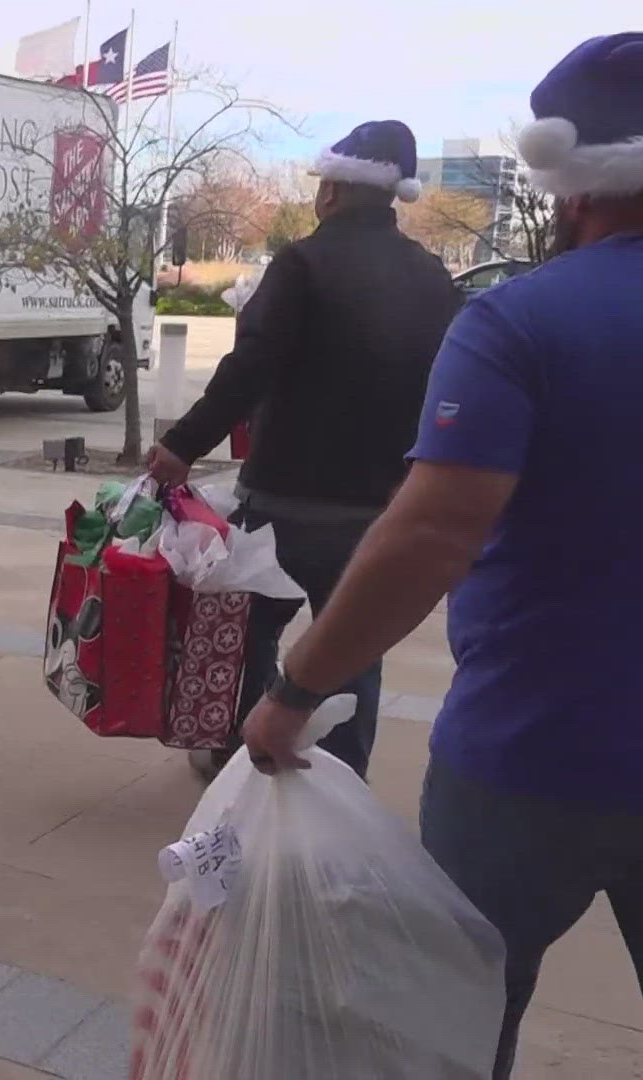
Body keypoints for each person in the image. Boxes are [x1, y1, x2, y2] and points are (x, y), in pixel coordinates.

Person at [240, 33, 643, 1078]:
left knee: (456, 1017)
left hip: (530, 756)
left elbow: (431, 534)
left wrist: (296, 689)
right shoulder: (447, 290)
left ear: (571, 184)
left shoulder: (523, 318)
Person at [150, 119, 463, 780]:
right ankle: (340, 780)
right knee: (353, 647)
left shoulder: (303, 263)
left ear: (332, 191)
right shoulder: (434, 280)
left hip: (283, 502)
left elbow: (249, 368)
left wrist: (181, 444)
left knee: (250, 629)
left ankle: (240, 755)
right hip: (377, 508)